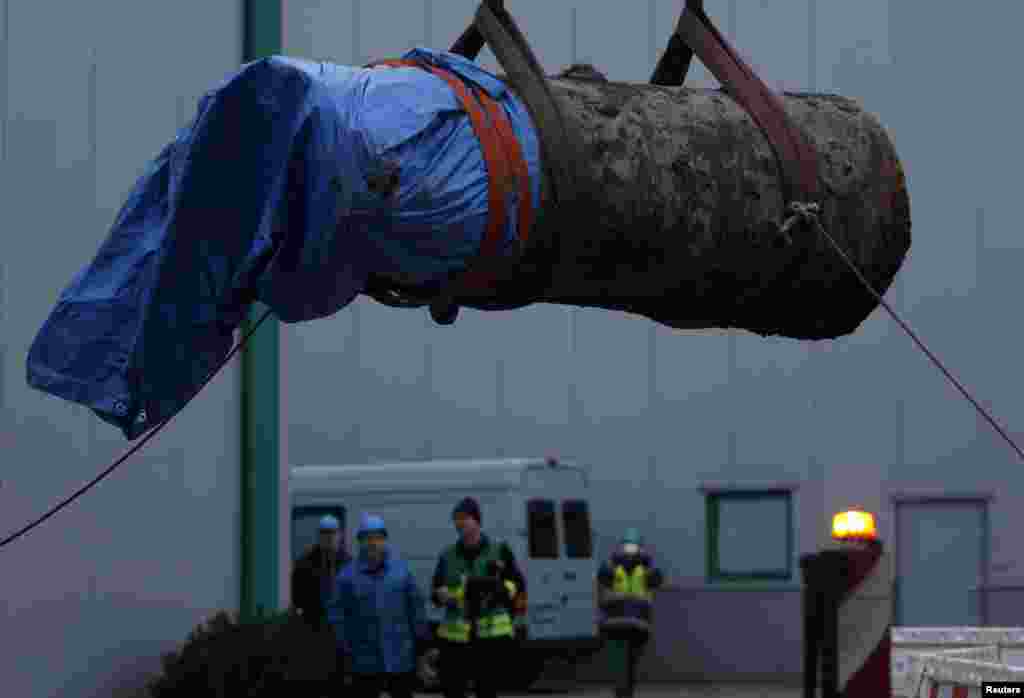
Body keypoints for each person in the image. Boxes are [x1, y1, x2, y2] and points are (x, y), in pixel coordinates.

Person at [431, 497, 526, 698]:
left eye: (464, 518)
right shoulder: (447, 555)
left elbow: (517, 583)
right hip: (455, 639)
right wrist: (441, 595)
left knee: (487, 691)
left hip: (489, 637)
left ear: (477, 520)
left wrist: (499, 591)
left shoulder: (499, 550)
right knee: (452, 690)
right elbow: (435, 591)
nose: (459, 523)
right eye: (456, 519)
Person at [328, 513, 428, 698]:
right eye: (367, 538)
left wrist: (421, 645)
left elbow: (416, 608)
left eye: (377, 538)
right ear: (360, 542)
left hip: (400, 658)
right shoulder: (346, 577)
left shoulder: (401, 571)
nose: (373, 543)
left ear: (385, 540)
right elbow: (337, 617)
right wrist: (345, 649)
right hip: (364, 661)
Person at [596, 528, 664, 698]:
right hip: (615, 624)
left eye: (633, 546)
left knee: (631, 665)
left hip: (638, 625)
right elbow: (602, 580)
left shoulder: (648, 569)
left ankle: (626, 693)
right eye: (627, 545)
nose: (630, 549)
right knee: (620, 666)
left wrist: (654, 575)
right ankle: (622, 694)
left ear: (641, 548)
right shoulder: (611, 567)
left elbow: (656, 581)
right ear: (621, 547)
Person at [291, 514, 350, 629]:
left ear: (340, 535)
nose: (329, 537)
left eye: (333, 533)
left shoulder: (349, 564)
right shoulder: (305, 564)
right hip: (314, 627)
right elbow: (297, 600)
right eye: (324, 533)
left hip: (342, 627)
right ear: (319, 536)